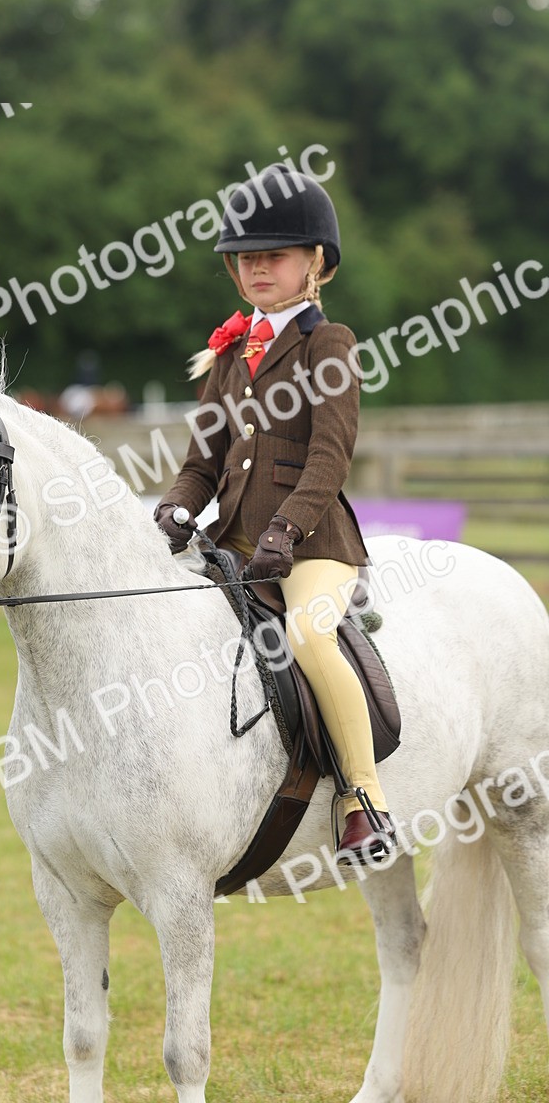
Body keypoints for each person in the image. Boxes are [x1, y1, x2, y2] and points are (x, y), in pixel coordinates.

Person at [154, 163, 395, 864]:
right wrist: (176, 507)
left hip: (314, 545)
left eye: (275, 256)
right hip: (230, 543)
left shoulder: (330, 344)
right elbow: (204, 460)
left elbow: (330, 454)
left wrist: (287, 529)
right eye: (247, 258)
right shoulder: (228, 354)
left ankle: (363, 799)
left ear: (314, 262)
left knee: (311, 637)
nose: (258, 269)